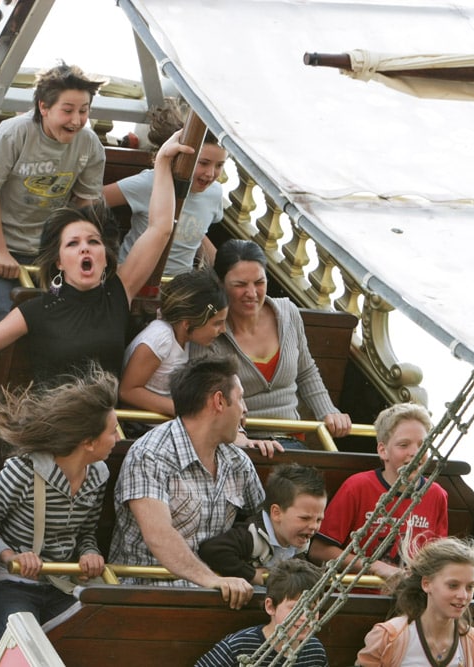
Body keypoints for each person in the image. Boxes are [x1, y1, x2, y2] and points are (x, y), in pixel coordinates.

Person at [0, 130, 194, 382]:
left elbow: (160, 228)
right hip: (54, 418)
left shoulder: (119, 292)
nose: (84, 248)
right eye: (73, 244)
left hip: (103, 417)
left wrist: (162, 162)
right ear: (59, 262)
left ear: (105, 257)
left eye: (93, 242)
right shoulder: (38, 309)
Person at [0, 364, 120, 639]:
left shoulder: (98, 475)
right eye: (113, 431)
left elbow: (86, 532)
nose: (119, 438)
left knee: (94, 640)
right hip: (9, 582)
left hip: (58, 584)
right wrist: (11, 556)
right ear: (88, 442)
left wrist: (89, 553)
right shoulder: (23, 472)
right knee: (25, 641)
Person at [108, 355, 264, 609]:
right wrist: (211, 580)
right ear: (219, 401)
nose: (245, 409)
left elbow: (265, 523)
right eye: (240, 398)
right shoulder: (150, 455)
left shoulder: (237, 461)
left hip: (221, 594)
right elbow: (159, 535)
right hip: (147, 595)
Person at [0, 62, 107, 325]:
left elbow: (85, 202)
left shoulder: (90, 145)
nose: (76, 120)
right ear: (44, 107)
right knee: (4, 311)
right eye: (67, 110)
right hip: (0, 241)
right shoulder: (14, 133)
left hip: (46, 247)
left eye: (83, 111)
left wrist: (74, 249)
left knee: (63, 314)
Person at [195, 239, 352, 452]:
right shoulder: (209, 328)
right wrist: (240, 437)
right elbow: (207, 395)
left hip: (291, 440)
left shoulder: (288, 313)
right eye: (240, 285)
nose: (252, 293)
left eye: (259, 282)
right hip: (236, 442)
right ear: (221, 285)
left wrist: (328, 411)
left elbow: (306, 371)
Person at [308, 403, 448, 581]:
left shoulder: (437, 495)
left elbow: (438, 560)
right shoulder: (357, 487)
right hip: (358, 592)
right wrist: (373, 567)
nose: (415, 452)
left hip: (411, 594)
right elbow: (318, 551)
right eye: (403, 445)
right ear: (383, 451)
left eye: (423, 445)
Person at [103, 99, 227, 275]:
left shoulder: (214, 194)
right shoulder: (148, 183)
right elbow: (91, 201)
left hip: (180, 283)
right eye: (204, 163)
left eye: (219, 165)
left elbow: (195, 234)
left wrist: (224, 270)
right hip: (134, 275)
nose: (210, 173)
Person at [356, 537, 474, 667]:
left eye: (470, 587)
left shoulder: (472, 641)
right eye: (453, 585)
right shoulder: (389, 637)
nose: (463, 595)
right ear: (426, 584)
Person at [119, 268, 229, 416]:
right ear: (187, 324)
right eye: (217, 323)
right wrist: (187, 412)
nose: (223, 330)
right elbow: (127, 391)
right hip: (141, 425)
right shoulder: (160, 338)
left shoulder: (186, 338)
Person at [199, 463, 327, 586]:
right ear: (276, 513)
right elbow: (211, 551)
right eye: (305, 518)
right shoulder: (251, 535)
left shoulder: (300, 541)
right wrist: (251, 574)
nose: (314, 526)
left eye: (319, 520)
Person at [195, 559, 329, 667]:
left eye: (312, 609)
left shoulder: (314, 650)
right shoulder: (238, 647)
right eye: (295, 609)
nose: (305, 617)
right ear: (270, 607)